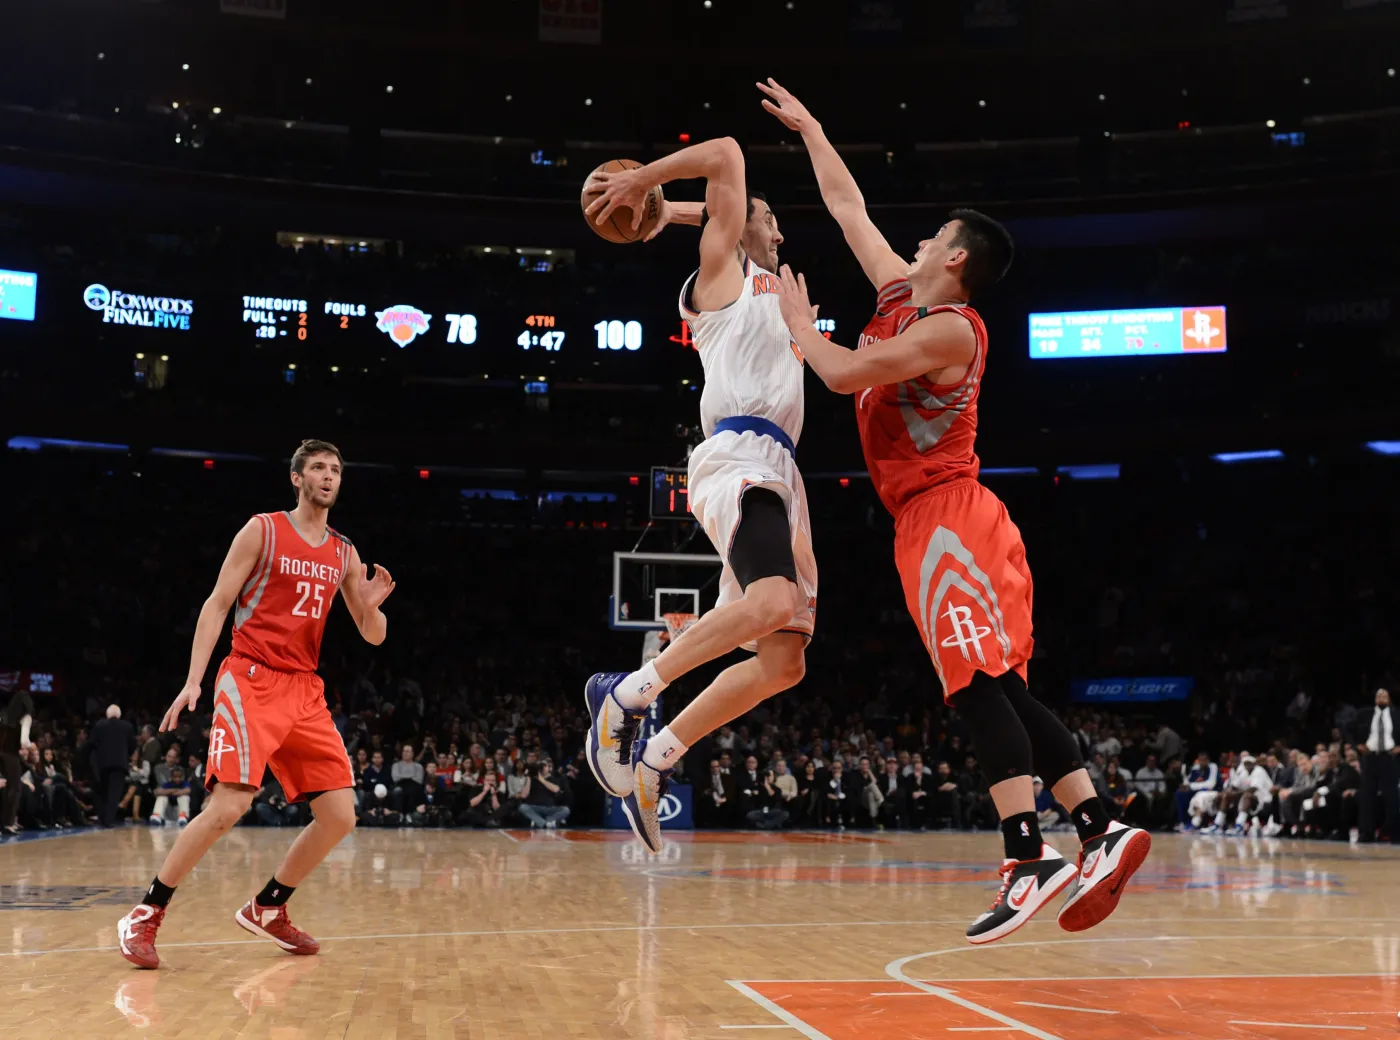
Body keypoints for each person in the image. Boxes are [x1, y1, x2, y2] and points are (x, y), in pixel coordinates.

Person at [758, 78, 1151, 945]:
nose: (918, 241)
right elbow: (849, 208)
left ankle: (1028, 857)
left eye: (933, 236)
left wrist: (797, 324)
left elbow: (841, 374)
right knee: (999, 686)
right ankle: (1100, 828)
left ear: (958, 259)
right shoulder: (904, 297)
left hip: (947, 516)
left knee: (973, 688)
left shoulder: (953, 329)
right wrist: (814, 128)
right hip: (930, 519)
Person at [580, 134, 816, 853]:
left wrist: (659, 208)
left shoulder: (780, 290)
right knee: (771, 602)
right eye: (767, 218)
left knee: (784, 661)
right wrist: (643, 183)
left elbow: (724, 202)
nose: (779, 231)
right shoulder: (721, 276)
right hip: (738, 456)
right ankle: (625, 694)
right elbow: (725, 155)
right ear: (735, 224)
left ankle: (658, 757)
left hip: (784, 471)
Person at [117, 439, 396, 969]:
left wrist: (372, 607)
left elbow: (373, 634)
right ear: (297, 477)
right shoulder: (262, 530)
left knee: (340, 816)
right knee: (229, 806)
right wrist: (194, 680)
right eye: (319, 467)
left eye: (336, 469)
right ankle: (145, 912)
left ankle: (268, 907)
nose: (329, 476)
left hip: (304, 689)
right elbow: (218, 602)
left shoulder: (344, 552)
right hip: (250, 678)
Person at [1355, 687, 1398, 843]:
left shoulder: (1396, 715)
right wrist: (1357, 744)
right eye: (1379, 695)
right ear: (1375, 699)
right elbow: (1348, 728)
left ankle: (1394, 834)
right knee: (1367, 797)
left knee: (1391, 797)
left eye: (1385, 695)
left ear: (1389, 699)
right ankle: (1366, 834)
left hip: (1389, 758)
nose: (1382, 698)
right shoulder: (1365, 714)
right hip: (1370, 757)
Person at [89, 704, 136, 828]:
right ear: (119, 715)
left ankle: (103, 818)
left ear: (107, 715)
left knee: (104, 791)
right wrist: (126, 755)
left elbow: (92, 743)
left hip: (103, 764)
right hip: (120, 764)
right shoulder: (127, 726)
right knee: (114, 793)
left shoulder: (99, 725)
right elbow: (133, 745)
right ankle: (109, 821)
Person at [0, 687, 35, 835]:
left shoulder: (4, 715)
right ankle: (8, 823)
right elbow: (24, 741)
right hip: (10, 755)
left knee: (6, 789)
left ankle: (4, 822)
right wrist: (32, 746)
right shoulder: (26, 717)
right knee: (15, 788)